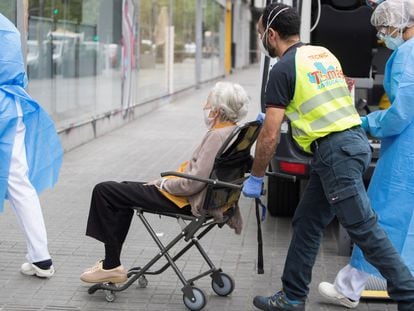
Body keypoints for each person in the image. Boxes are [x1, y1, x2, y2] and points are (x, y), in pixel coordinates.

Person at [242, 2, 414, 311]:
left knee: (364, 227)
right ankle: (292, 296)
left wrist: (256, 177)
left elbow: (268, 136)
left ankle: (408, 293)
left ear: (271, 34)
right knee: (307, 221)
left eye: (259, 34)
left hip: (337, 152)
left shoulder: (282, 68)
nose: (261, 40)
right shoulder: (322, 54)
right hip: (348, 146)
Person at [80, 81, 249, 283]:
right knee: (122, 189)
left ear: (219, 111)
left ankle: (110, 266)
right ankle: (111, 263)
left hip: (185, 199)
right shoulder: (236, 132)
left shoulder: (216, 136)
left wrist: (163, 184)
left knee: (105, 191)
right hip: (204, 198)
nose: (205, 107)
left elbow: (193, 184)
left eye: (208, 103)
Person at [318, 0, 414, 308]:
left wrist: (365, 122)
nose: (383, 36)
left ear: (402, 23)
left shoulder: (406, 56)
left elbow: (400, 113)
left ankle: (350, 287)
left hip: (405, 152)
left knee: (380, 216)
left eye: (385, 29)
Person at [0, 14, 63, 277]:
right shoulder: (6, 27)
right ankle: (41, 258)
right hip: (12, 108)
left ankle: (41, 258)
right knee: (19, 184)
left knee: (18, 183)